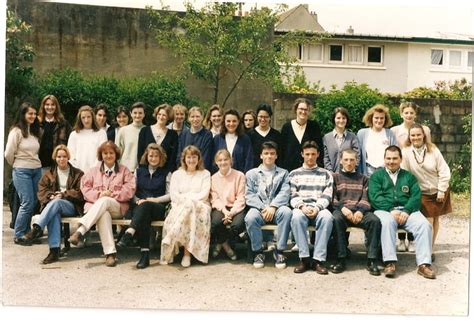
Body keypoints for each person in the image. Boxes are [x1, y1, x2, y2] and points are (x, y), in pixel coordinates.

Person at [368, 145, 435, 279]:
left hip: (407, 211)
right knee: (386, 222)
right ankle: (389, 262)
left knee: (424, 225)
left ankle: (424, 264)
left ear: (400, 159)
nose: (391, 161)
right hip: (385, 210)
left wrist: (406, 210)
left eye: (394, 158)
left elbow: (416, 196)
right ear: (384, 159)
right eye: (388, 158)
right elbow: (374, 197)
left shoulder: (408, 176)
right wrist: (390, 209)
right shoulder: (376, 176)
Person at [68, 141, 136, 267]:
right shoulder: (93, 171)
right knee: (103, 213)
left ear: (116, 155)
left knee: (105, 201)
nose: (108, 156)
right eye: (105, 153)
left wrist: (111, 194)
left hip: (117, 207)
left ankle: (80, 230)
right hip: (97, 209)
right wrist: (100, 194)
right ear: (101, 155)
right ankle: (110, 254)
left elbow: (130, 190)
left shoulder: (124, 171)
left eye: (111, 153)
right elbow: (85, 188)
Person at [24, 145, 84, 264]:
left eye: (64, 156)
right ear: (55, 158)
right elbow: (41, 191)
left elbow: (80, 193)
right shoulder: (48, 174)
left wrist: (64, 194)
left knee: (56, 203)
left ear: (68, 157)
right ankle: (54, 251)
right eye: (59, 156)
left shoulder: (78, 173)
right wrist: (50, 195)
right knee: (54, 212)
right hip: (53, 206)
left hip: (70, 206)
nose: (61, 159)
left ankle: (37, 228)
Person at [401, 123, 451, 262]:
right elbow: (405, 174)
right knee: (428, 220)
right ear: (409, 137)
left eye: (418, 134)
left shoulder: (433, 149)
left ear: (423, 135)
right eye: (413, 135)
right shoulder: (405, 152)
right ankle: (427, 250)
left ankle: (431, 248)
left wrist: (441, 190)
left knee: (435, 219)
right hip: (422, 192)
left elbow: (444, 170)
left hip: (439, 189)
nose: (416, 137)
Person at [117, 144, 171, 269]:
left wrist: (155, 200)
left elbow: (170, 195)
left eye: (156, 156)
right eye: (151, 155)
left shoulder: (166, 173)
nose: (153, 158)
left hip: (158, 208)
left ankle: (130, 232)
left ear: (161, 157)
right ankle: (144, 256)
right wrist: (138, 201)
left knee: (145, 209)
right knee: (144, 215)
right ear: (146, 157)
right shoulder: (138, 171)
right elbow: (132, 192)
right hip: (140, 206)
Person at [331, 149, 381, 275]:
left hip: (360, 211)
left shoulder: (364, 179)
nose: (349, 163)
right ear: (341, 161)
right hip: (343, 211)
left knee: (374, 221)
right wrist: (343, 208)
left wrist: (360, 211)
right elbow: (332, 198)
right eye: (346, 160)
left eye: (352, 160)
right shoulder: (335, 178)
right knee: (336, 219)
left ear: (356, 161)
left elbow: (366, 197)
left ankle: (372, 259)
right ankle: (341, 258)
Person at [160, 145, 211, 267]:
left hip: (201, 207)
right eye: (189, 157)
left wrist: (188, 198)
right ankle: (186, 255)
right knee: (188, 208)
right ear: (184, 159)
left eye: (194, 157)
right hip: (180, 206)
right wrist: (188, 199)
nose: (191, 160)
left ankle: (173, 237)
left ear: (199, 159)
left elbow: (204, 194)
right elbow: (174, 195)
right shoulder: (177, 174)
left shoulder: (205, 173)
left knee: (190, 207)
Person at [244, 141, 292, 269]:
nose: (269, 156)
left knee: (287, 212)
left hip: (277, 208)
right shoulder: (251, 174)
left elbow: (285, 192)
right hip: (259, 208)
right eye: (266, 153)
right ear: (261, 155)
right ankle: (259, 252)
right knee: (250, 218)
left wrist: (273, 207)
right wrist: (263, 208)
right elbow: (249, 195)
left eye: (272, 153)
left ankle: (280, 251)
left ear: (276, 156)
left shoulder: (283, 173)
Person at [391, 102, 431, 252]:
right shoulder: (395, 130)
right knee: (400, 200)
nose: (408, 115)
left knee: (413, 204)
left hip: (417, 170)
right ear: (401, 114)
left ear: (415, 114)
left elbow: (429, 147)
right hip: (401, 169)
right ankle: (401, 240)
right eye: (406, 113)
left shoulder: (424, 129)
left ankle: (412, 239)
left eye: (411, 113)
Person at [289, 141, 333, 274]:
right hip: (301, 208)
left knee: (327, 217)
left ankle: (318, 260)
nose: (310, 157)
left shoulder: (325, 174)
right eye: (307, 154)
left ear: (318, 154)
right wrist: (302, 207)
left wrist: (317, 208)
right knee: (296, 216)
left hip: (318, 208)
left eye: (313, 154)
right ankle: (304, 259)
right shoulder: (294, 174)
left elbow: (327, 194)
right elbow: (292, 194)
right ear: (302, 154)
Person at [4, 102, 42, 245]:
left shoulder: (34, 131)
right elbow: (8, 153)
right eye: (29, 113)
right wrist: (16, 164)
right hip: (21, 170)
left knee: (33, 203)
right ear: (23, 114)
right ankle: (19, 234)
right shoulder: (16, 131)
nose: (32, 116)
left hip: (36, 169)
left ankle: (27, 234)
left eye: (34, 113)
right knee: (26, 202)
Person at [210, 149, 246, 261]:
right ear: (216, 162)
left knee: (237, 226)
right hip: (221, 208)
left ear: (230, 160)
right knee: (215, 223)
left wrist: (231, 213)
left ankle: (220, 243)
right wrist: (225, 212)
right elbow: (215, 199)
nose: (223, 162)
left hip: (236, 207)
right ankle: (226, 247)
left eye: (225, 159)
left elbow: (241, 198)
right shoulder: (213, 178)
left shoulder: (239, 175)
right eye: (220, 160)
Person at [280, 98, 324, 172]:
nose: (303, 112)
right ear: (296, 110)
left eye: (306, 109)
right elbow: (282, 151)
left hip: (310, 170)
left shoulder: (314, 126)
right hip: (289, 170)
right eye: (301, 109)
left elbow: (319, 148)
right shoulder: (286, 127)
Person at [357, 104, 397, 177]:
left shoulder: (390, 134)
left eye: (382, 118)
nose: (379, 120)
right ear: (371, 118)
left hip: (385, 171)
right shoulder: (362, 133)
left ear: (385, 119)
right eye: (376, 118)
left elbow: (395, 153)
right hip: (368, 171)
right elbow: (358, 155)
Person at [137, 103, 178, 171]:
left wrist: (168, 172)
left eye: (164, 115)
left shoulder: (173, 135)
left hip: (164, 173)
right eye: (159, 114)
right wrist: (143, 170)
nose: (161, 117)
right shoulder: (145, 131)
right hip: (146, 171)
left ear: (168, 117)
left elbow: (172, 157)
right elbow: (140, 153)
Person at [67, 105, 108, 172]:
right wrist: (77, 171)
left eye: (88, 117)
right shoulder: (74, 134)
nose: (86, 120)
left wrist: (94, 170)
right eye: (83, 117)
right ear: (80, 119)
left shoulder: (101, 133)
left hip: (96, 172)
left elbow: (102, 153)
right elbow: (70, 155)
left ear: (93, 117)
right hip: (78, 172)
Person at [37, 95, 72, 171]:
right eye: (47, 104)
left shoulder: (64, 124)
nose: (50, 107)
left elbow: (71, 143)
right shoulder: (37, 123)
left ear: (56, 107)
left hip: (57, 165)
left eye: (53, 104)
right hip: (39, 165)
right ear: (43, 106)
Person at [213, 109, 254, 174]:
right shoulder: (217, 139)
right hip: (221, 178)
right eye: (228, 121)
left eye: (234, 121)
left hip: (239, 179)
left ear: (238, 122)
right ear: (224, 122)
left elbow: (249, 161)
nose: (231, 124)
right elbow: (213, 160)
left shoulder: (245, 139)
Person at [176, 106, 214, 172]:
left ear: (202, 117)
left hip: (200, 171)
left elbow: (206, 156)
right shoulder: (184, 134)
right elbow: (180, 154)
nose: (195, 119)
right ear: (188, 118)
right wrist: (182, 168)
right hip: (185, 171)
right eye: (192, 117)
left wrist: (196, 171)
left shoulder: (207, 134)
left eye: (197, 116)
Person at [323, 107, 360, 173]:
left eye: (344, 118)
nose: (341, 120)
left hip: (349, 175)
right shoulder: (327, 137)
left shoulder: (352, 137)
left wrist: (350, 171)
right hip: (332, 176)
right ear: (334, 119)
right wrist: (331, 173)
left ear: (347, 120)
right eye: (338, 118)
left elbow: (357, 156)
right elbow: (325, 157)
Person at [248, 103, 282, 168]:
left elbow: (280, 156)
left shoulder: (276, 135)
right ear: (257, 117)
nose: (263, 119)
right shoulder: (249, 135)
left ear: (270, 118)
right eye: (260, 116)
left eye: (266, 117)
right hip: (254, 173)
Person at [115, 101, 146, 172]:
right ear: (131, 114)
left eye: (140, 113)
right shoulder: (123, 131)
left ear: (144, 114)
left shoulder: (147, 130)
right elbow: (117, 152)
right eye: (135, 113)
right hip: (125, 170)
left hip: (142, 171)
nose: (137, 115)